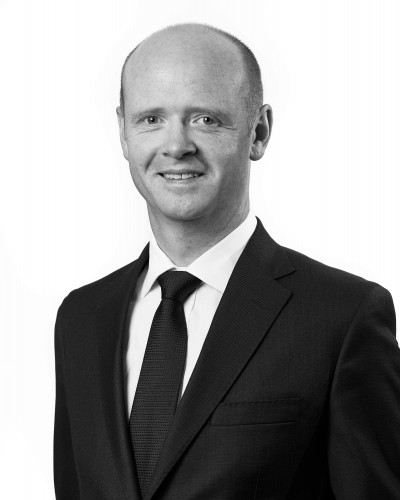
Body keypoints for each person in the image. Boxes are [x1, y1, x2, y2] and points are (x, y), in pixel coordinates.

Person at [53, 22, 400, 500]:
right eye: (151, 119)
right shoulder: (82, 318)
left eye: (205, 119)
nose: (176, 145)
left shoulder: (341, 318)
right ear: (123, 132)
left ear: (259, 132)